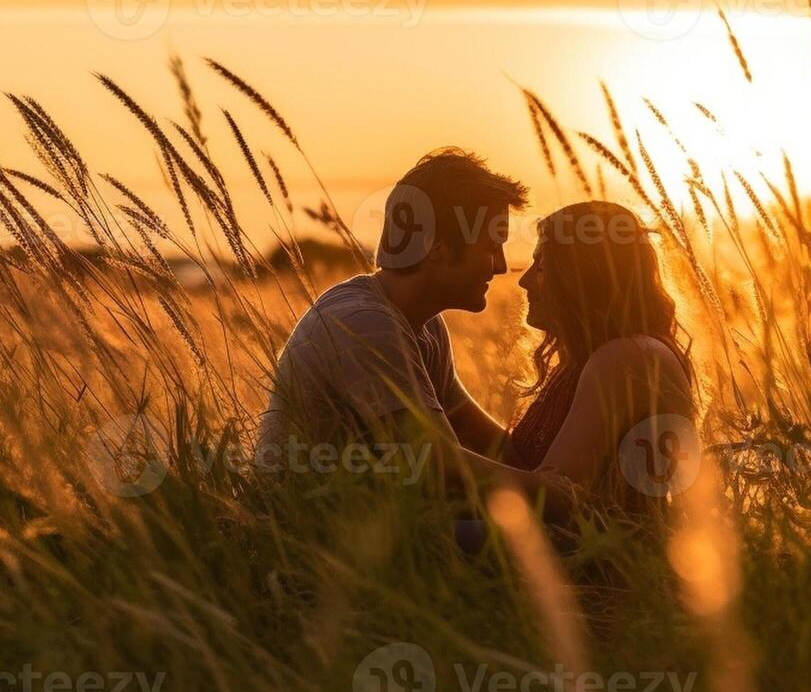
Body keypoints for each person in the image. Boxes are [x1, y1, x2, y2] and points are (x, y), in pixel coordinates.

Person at [256, 148, 571, 513]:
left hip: (368, 521)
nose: (501, 266)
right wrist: (545, 491)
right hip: (305, 532)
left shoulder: (424, 325)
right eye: (491, 248)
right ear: (437, 246)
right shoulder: (363, 324)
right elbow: (435, 464)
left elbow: (489, 444)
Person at [507, 201, 695, 516]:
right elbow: (520, 462)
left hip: (601, 560)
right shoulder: (597, 358)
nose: (523, 281)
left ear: (583, 274)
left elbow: (556, 496)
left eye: (541, 266)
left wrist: (440, 459)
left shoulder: (628, 357)